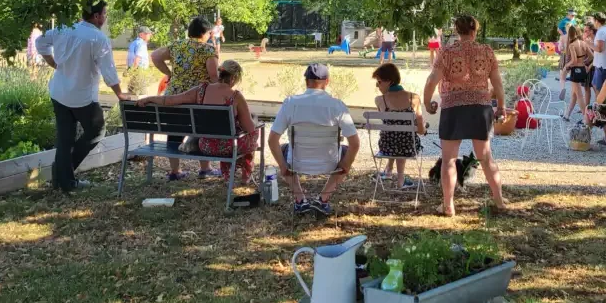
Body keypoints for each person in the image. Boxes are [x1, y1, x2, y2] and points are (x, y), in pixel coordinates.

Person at [36, 1, 128, 193]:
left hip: (59, 92)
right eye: (104, 14)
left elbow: (40, 42)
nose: (105, 18)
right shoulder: (98, 38)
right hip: (82, 97)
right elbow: (109, 71)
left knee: (65, 139)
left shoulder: (64, 29)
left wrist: (53, 63)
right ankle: (63, 174)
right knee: (97, 131)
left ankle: (63, 179)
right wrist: (120, 94)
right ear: (96, 16)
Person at [424, 15, 507, 217]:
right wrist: (501, 107)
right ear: (475, 31)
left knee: (448, 160)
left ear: (456, 30)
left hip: (453, 108)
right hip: (480, 108)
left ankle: (448, 205)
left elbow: (432, 79)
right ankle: (499, 201)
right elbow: (497, 82)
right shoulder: (486, 51)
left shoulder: (446, 52)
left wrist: (427, 102)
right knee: (485, 157)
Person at [136, 60, 258, 181]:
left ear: (220, 73)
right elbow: (249, 128)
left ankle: (228, 172)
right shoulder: (236, 96)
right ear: (234, 78)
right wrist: (255, 121)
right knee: (253, 134)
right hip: (229, 147)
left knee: (232, 138)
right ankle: (245, 171)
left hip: (206, 146)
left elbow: (170, 100)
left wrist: (149, 99)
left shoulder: (201, 90)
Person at [268, 64, 360, 216]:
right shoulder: (337, 106)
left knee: (283, 149)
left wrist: (283, 166)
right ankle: (323, 199)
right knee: (346, 152)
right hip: (330, 162)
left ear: (306, 81)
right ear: (327, 82)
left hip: (297, 162)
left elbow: (272, 140)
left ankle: (300, 200)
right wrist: (345, 164)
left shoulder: (290, 103)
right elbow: (355, 143)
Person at [150, 17, 220, 180]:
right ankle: (205, 168)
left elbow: (155, 56)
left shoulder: (177, 45)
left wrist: (170, 74)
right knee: (202, 130)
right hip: (196, 98)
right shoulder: (208, 50)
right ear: (205, 33)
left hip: (172, 98)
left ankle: (175, 171)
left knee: (174, 131)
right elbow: (213, 76)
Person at [372, 63, 424, 189]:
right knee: (403, 137)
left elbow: (389, 124)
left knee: (395, 135)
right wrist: (423, 128)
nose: (377, 86)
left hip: (386, 147)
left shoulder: (380, 100)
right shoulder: (414, 98)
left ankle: (389, 171)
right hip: (409, 147)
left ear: (389, 81)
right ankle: (400, 180)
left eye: (379, 82)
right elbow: (421, 130)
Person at [561, 24, 593, 120]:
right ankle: (567, 114)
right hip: (582, 70)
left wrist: (567, 65)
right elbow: (591, 56)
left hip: (575, 71)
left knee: (579, 95)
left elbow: (574, 61)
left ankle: (586, 118)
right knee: (574, 94)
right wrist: (584, 63)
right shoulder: (583, 43)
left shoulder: (572, 45)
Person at [591, 12, 606, 92]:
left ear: (596, 21)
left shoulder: (601, 32)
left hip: (602, 65)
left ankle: (600, 101)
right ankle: (600, 100)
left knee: (600, 89)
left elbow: (600, 49)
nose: (593, 22)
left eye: (593, 20)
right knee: (595, 85)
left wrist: (588, 43)